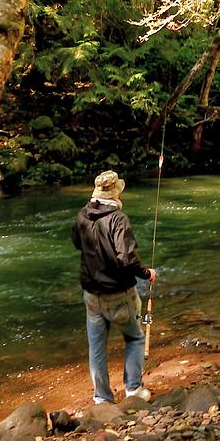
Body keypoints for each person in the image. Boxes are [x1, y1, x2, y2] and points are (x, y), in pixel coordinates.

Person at [72, 169, 157, 404]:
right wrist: (146, 273)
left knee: (96, 347)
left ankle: (102, 398)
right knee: (135, 338)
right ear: (115, 194)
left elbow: (77, 243)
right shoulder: (119, 219)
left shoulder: (82, 215)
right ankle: (133, 389)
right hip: (119, 294)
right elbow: (127, 258)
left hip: (91, 294)